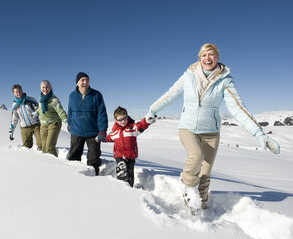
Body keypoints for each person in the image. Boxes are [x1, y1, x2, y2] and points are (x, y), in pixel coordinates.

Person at [145, 43, 280, 211]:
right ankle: (187, 187)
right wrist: (152, 109)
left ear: (217, 57)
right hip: (188, 128)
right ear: (199, 58)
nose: (207, 58)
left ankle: (201, 205)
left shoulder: (225, 80)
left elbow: (238, 108)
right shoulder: (188, 76)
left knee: (205, 171)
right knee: (196, 155)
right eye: (204, 55)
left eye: (211, 55)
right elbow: (170, 94)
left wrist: (259, 133)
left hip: (211, 132)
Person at [96, 106, 155, 187]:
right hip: (119, 155)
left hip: (131, 155)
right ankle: (121, 185)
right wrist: (101, 138)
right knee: (122, 168)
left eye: (125, 118)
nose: (123, 121)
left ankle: (129, 188)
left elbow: (141, 125)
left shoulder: (133, 128)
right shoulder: (115, 132)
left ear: (127, 117)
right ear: (116, 120)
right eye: (120, 120)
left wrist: (147, 120)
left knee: (130, 173)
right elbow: (108, 138)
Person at [67, 72, 108, 175]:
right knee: (73, 158)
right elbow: (70, 111)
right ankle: (73, 178)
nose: (85, 82)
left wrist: (102, 130)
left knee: (94, 159)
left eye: (87, 80)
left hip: (93, 133)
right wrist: (69, 123)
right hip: (76, 132)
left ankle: (94, 179)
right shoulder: (72, 96)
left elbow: (102, 113)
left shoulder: (96, 95)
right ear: (77, 83)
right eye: (82, 80)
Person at [34, 80, 67, 156]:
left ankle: (55, 165)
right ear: (40, 88)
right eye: (43, 87)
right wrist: (36, 112)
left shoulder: (54, 100)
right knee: (44, 147)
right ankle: (47, 165)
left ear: (51, 88)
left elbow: (60, 111)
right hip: (43, 124)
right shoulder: (41, 98)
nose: (45, 89)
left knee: (49, 147)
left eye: (47, 87)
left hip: (54, 123)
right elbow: (40, 108)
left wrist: (65, 119)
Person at [10, 84, 42, 150]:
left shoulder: (30, 100)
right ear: (13, 93)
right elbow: (14, 119)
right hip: (25, 128)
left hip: (36, 125)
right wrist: (11, 130)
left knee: (41, 144)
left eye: (20, 91)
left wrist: (37, 112)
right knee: (26, 147)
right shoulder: (15, 105)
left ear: (22, 90)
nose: (18, 93)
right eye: (16, 92)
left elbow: (40, 108)